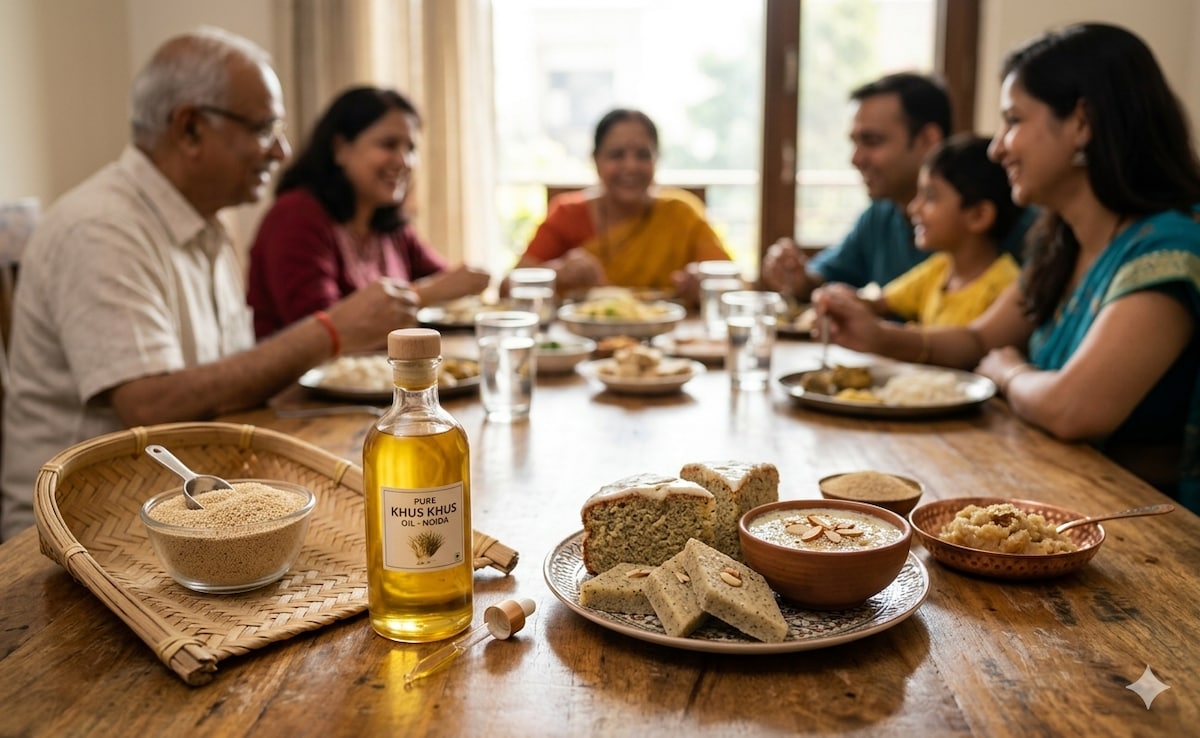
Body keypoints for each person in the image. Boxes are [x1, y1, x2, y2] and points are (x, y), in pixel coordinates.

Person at [0, 28, 414, 541]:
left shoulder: (210, 224)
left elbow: (223, 376)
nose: (283, 150)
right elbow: (148, 405)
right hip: (75, 530)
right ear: (190, 129)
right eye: (265, 128)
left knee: (384, 516)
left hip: (180, 501)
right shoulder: (102, 227)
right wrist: (330, 331)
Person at [816, 23, 1200, 511]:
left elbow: (1071, 409)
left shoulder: (1169, 248)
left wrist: (1009, 371)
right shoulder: (1062, 239)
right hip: (1059, 495)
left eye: (1013, 120)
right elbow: (979, 338)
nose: (998, 148)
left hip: (1148, 526)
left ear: (1082, 122)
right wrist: (879, 336)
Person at [762, 73, 1032, 302]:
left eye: (872, 141)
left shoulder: (1015, 224)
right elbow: (819, 280)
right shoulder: (881, 215)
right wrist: (795, 276)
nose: (855, 159)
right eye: (854, 142)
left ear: (928, 139)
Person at [247, 86, 490, 340]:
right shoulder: (295, 215)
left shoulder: (387, 224)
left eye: (411, 149)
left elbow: (450, 285)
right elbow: (320, 333)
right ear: (341, 148)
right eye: (389, 144)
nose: (404, 161)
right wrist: (427, 294)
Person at [514, 108, 731, 301]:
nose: (630, 166)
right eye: (617, 155)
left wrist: (703, 282)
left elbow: (733, 284)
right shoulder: (568, 214)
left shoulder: (682, 213)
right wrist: (557, 272)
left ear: (656, 161)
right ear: (596, 161)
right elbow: (508, 288)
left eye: (643, 155)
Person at [868, 133, 1023, 326]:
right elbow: (878, 305)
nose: (913, 208)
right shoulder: (939, 269)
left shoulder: (1004, 287)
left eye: (931, 197)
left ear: (978, 216)